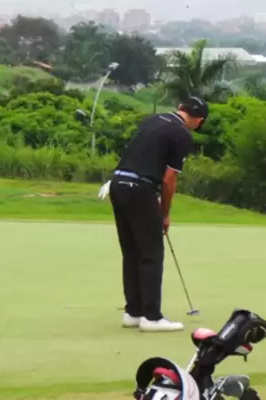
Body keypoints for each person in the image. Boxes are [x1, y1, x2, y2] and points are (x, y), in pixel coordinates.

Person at [107, 96, 208, 332]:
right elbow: (169, 179)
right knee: (151, 253)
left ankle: (133, 312)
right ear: (199, 120)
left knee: (132, 251)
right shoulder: (181, 134)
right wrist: (165, 214)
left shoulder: (152, 120)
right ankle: (151, 317)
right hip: (140, 189)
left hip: (117, 184)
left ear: (180, 108)